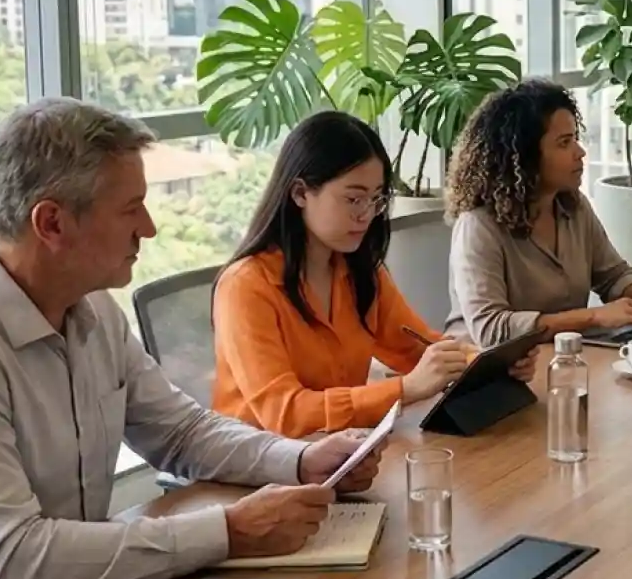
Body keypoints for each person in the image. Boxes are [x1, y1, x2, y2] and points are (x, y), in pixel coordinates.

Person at [0, 99, 385, 579]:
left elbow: (180, 434)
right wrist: (230, 531)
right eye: (131, 208)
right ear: (52, 223)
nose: (149, 228)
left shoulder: (90, 311)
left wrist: (297, 460)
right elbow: (8, 562)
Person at [212, 111, 522, 437]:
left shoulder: (360, 273)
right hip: (254, 467)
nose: (367, 215)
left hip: (339, 451)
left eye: (376, 199)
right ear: (300, 193)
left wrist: (492, 365)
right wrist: (404, 390)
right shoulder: (245, 286)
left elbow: (419, 349)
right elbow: (285, 412)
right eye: (353, 198)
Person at [443, 79, 632, 347]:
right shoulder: (478, 227)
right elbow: (491, 330)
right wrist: (594, 316)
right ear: (525, 157)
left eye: (575, 139)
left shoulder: (574, 207)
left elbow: (613, 274)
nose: (580, 152)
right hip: (488, 373)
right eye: (564, 143)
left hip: (566, 361)